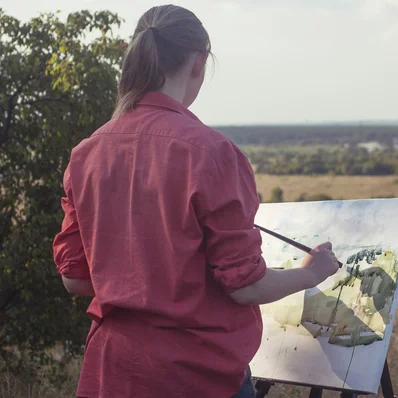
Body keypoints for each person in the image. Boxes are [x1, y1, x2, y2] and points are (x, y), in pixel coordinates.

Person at [52, 5, 340, 398]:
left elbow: (75, 278)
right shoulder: (210, 152)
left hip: (113, 372)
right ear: (199, 64)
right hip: (197, 375)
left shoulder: (86, 154)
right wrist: (311, 273)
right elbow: (246, 287)